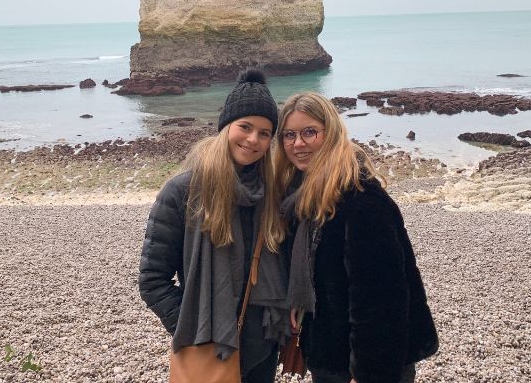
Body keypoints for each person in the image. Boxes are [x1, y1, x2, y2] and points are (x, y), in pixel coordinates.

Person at [138, 69, 291, 383]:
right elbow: (153, 280)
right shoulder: (184, 192)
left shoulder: (272, 193)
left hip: (262, 347)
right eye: (245, 127)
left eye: (265, 133)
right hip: (209, 347)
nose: (254, 140)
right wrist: (194, 327)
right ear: (226, 127)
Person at [276, 92, 438, 383]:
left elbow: (382, 300)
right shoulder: (306, 195)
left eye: (309, 132)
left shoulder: (361, 200)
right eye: (289, 134)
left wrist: (366, 373)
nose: (298, 143)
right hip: (332, 353)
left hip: (364, 365)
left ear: (332, 133)